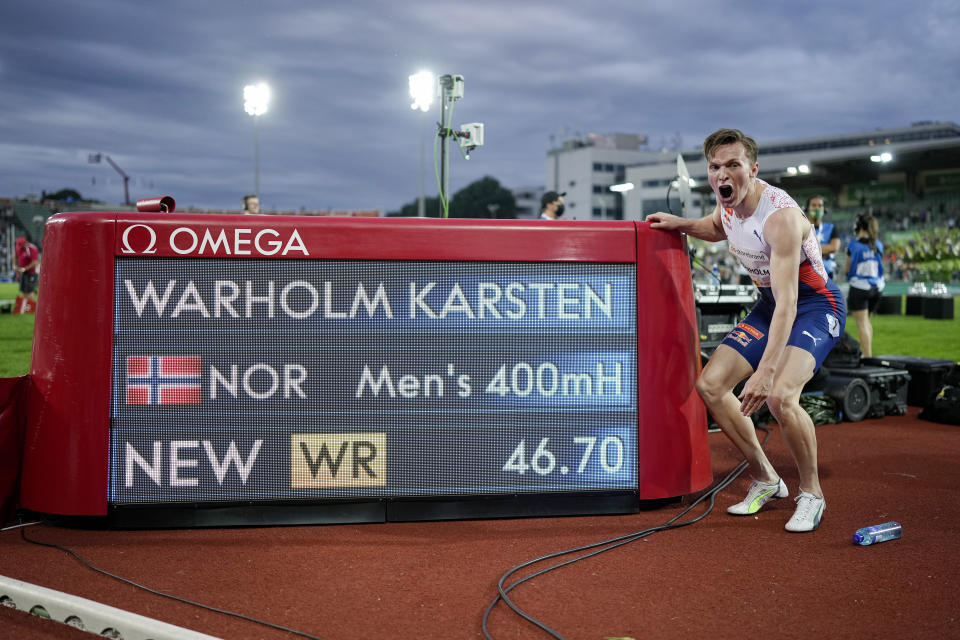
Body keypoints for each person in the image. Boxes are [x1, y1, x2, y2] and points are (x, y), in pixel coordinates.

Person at [647, 128, 846, 533]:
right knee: (711, 386)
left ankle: (811, 494)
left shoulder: (781, 220)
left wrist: (766, 369)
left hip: (813, 306)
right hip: (770, 305)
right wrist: (679, 224)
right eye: (715, 167)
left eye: (733, 165)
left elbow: (789, 305)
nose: (723, 174)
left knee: (779, 397)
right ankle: (767, 479)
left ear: (753, 170)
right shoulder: (728, 206)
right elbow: (715, 226)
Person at [845, 214, 884, 358]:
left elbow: (847, 269)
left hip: (860, 287)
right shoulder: (878, 244)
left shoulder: (853, 245)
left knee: (862, 324)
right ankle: (868, 352)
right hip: (877, 288)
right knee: (867, 322)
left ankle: (867, 356)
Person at [806, 196, 840, 280]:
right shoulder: (802, 228)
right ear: (807, 208)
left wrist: (809, 251)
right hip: (809, 275)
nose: (817, 208)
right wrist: (824, 251)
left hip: (828, 274)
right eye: (814, 205)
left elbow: (834, 247)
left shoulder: (831, 228)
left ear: (824, 209)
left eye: (820, 205)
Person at [14, 236, 40, 302]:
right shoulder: (19, 248)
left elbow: (35, 262)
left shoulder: (32, 249)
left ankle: (30, 305)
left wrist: (25, 268)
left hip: (32, 272)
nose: (20, 247)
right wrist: (14, 265)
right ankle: (26, 305)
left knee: (30, 290)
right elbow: (15, 256)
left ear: (25, 243)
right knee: (24, 290)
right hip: (23, 272)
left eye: (21, 245)